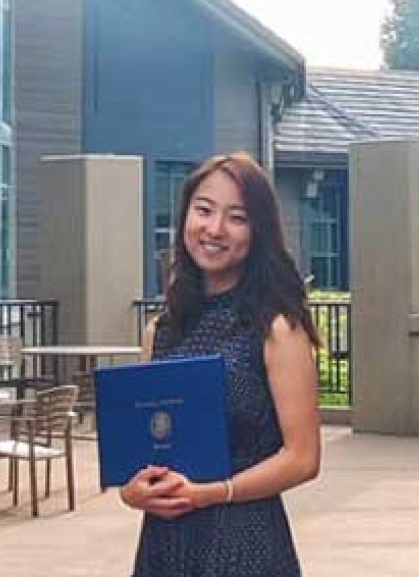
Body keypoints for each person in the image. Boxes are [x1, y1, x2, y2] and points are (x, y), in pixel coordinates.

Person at [119, 152, 322, 577]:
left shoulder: (277, 328)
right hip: (165, 545)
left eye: (237, 217)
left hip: (245, 541)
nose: (214, 229)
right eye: (204, 210)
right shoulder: (160, 329)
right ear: (185, 217)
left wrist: (213, 493)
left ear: (258, 232)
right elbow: (144, 450)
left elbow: (303, 458)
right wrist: (133, 491)